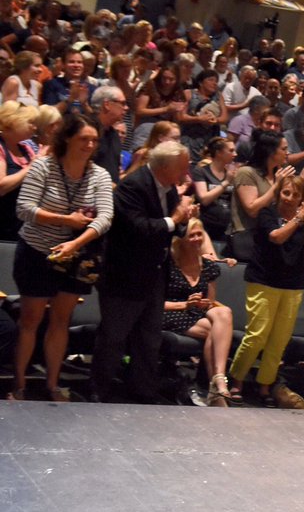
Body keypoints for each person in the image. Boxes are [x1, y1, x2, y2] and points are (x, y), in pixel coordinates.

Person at [10, 112, 112, 401]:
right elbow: (25, 208)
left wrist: (75, 242)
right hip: (37, 251)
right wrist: (65, 220)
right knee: (30, 320)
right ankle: (19, 384)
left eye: (94, 139)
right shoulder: (44, 167)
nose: (90, 144)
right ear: (67, 137)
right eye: (84, 139)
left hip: (76, 254)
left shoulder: (99, 175)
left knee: (61, 319)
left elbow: (105, 217)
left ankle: (52, 384)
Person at [88, 140, 197, 403]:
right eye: (182, 168)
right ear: (166, 167)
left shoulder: (169, 187)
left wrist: (183, 219)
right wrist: (176, 219)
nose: (186, 174)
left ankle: (143, 391)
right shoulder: (132, 186)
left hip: (154, 275)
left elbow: (172, 226)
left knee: (149, 339)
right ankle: (98, 390)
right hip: (124, 277)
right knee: (114, 338)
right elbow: (139, 228)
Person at [226, 174, 304, 409]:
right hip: (264, 279)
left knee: (279, 340)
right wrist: (299, 217)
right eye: (286, 193)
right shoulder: (267, 213)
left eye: (296, 195)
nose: (290, 198)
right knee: (257, 335)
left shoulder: (302, 217)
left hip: (293, 283)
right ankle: (237, 380)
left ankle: (265, 385)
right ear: (279, 193)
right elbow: (276, 237)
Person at [164, 219, 235, 405]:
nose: (196, 239)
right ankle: (216, 387)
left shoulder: (209, 266)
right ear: (181, 240)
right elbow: (155, 304)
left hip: (196, 313)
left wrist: (203, 304)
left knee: (224, 312)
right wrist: (185, 305)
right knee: (216, 331)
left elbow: (209, 302)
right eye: (191, 235)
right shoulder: (169, 265)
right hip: (172, 312)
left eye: (199, 234)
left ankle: (218, 379)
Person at [228, 130, 294, 262]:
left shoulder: (278, 175)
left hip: (271, 236)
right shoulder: (246, 173)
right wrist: (276, 186)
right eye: (284, 149)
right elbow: (252, 210)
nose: (288, 152)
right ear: (271, 151)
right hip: (248, 238)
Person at [0, 102, 41, 240]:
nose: (34, 127)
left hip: (23, 225)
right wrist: (32, 166)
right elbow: (2, 186)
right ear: (12, 121)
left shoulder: (26, 149)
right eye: (30, 122)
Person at [192, 136, 236, 243]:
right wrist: (226, 182)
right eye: (231, 151)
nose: (235, 154)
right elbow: (204, 199)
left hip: (227, 226)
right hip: (207, 224)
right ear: (219, 152)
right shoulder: (201, 172)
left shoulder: (231, 173)